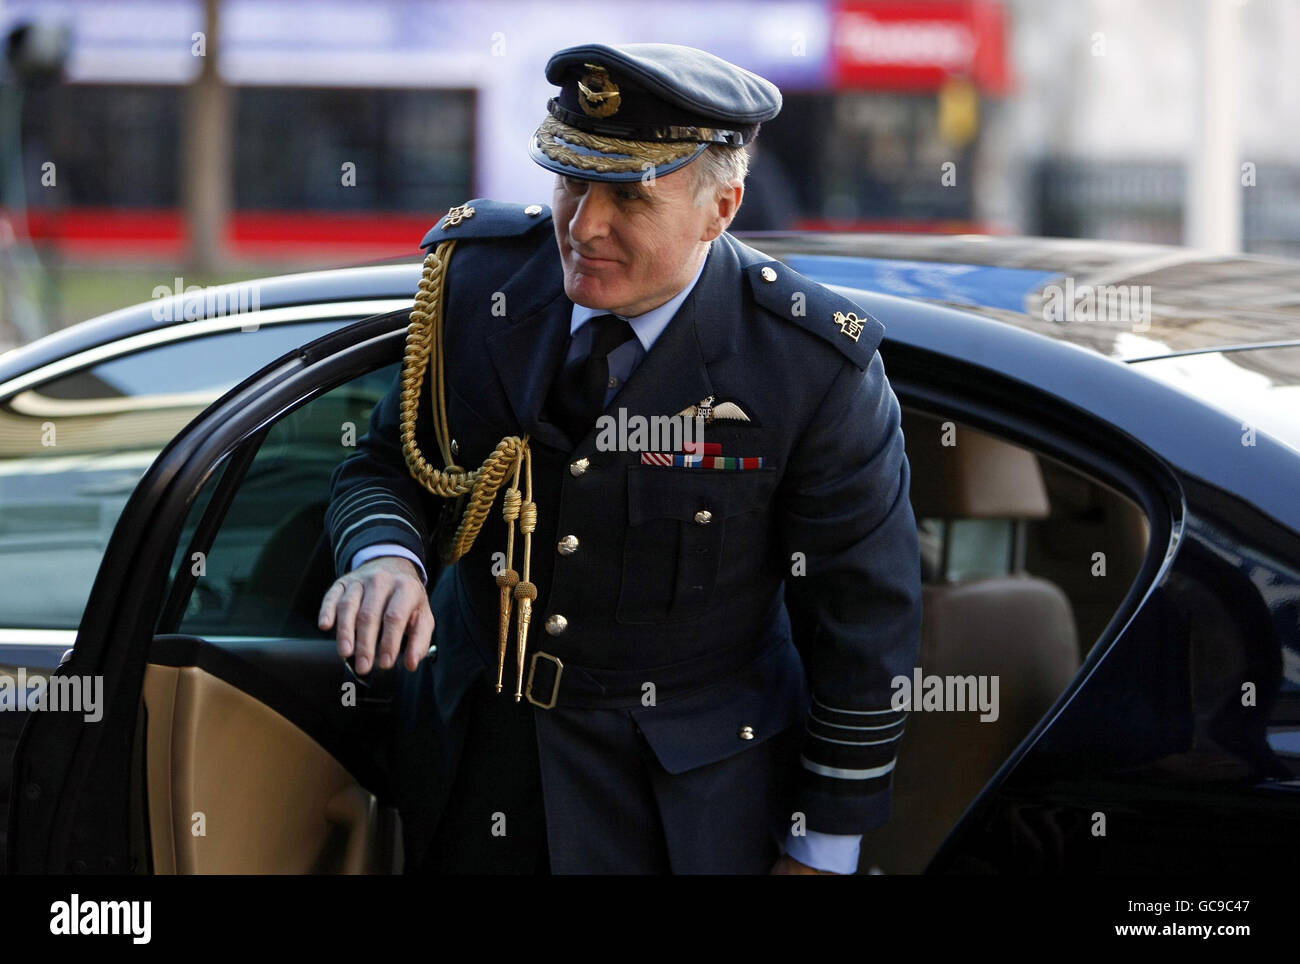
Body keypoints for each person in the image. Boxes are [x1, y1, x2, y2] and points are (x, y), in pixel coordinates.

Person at [318, 42, 922, 874]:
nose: (584, 224)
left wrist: (822, 848)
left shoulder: (807, 367)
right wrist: (388, 558)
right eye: (570, 182)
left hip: (686, 806)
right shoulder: (477, 283)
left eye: (628, 197)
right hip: (480, 774)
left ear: (723, 207)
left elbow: (865, 623)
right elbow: (390, 464)